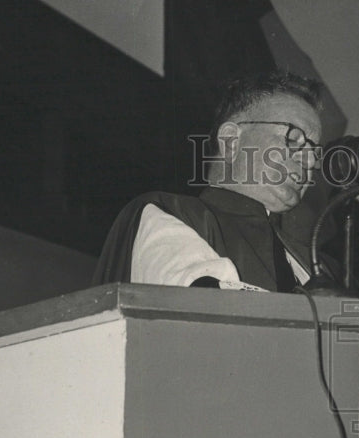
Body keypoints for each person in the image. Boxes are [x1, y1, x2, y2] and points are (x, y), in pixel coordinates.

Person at [93, 70, 325, 292]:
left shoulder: (315, 265)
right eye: (294, 138)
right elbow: (205, 310)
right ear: (231, 140)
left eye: (315, 151)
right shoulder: (168, 213)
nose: (311, 160)